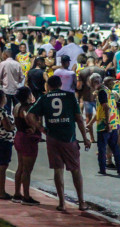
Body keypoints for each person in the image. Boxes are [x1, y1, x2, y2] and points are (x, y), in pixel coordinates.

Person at [28, 76, 91, 212]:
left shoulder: (45, 98)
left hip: (52, 137)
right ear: (60, 84)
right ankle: (81, 202)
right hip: (68, 137)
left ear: (48, 86)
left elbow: (30, 115)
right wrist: (85, 137)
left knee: (58, 169)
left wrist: (40, 128)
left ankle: (62, 203)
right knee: (75, 169)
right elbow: (79, 119)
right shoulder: (70, 96)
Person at [89, 73, 120, 175]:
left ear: (95, 82)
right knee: (115, 147)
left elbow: (105, 107)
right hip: (114, 123)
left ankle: (102, 169)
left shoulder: (101, 92)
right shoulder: (108, 91)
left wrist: (107, 123)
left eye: (91, 83)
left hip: (105, 124)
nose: (90, 85)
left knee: (102, 148)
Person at [12, 86, 40, 204]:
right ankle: (26, 196)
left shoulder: (17, 107)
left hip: (19, 136)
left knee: (20, 167)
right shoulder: (28, 108)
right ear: (28, 95)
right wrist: (35, 127)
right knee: (27, 170)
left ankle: (17, 193)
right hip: (28, 140)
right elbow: (30, 120)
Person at [0, 49, 24, 114]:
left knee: (7, 109)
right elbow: (21, 77)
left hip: (6, 89)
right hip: (16, 89)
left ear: (5, 55)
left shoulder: (3, 64)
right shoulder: (17, 64)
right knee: (17, 108)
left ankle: (9, 122)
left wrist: (1, 82)